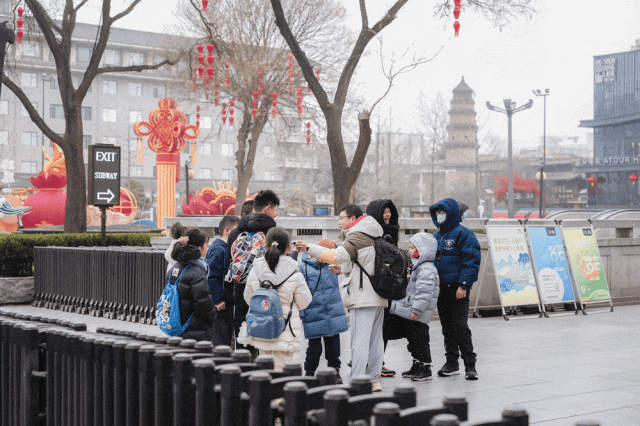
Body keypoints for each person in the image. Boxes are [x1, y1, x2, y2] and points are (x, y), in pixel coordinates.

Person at [297, 204, 387, 392]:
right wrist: (343, 269)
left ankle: (357, 381)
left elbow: (334, 256)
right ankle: (374, 379)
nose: (339, 222)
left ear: (352, 219)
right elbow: (363, 262)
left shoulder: (358, 234)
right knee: (375, 341)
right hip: (378, 293)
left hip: (362, 297)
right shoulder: (372, 232)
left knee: (359, 341)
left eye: (341, 217)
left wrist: (309, 247)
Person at [238, 227, 312, 369]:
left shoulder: (255, 270)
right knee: (283, 374)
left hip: (261, 329)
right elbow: (304, 302)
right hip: (285, 331)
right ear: (288, 248)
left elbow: (249, 299)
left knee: (264, 371)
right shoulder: (295, 273)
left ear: (265, 246)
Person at [430, 198, 481, 380]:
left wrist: (464, 285)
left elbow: (471, 261)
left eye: (443, 212)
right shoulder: (436, 236)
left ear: (451, 213)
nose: (440, 216)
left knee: (460, 327)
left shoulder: (464, 234)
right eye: (437, 213)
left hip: (457, 288)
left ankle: (470, 364)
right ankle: (451, 362)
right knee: (447, 328)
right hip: (441, 288)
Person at [226, 189, 280, 349]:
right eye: (276, 210)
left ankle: (243, 362)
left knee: (243, 334)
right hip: (265, 292)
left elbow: (228, 263)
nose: (276, 214)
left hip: (240, 290)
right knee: (264, 339)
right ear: (268, 208)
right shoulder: (273, 234)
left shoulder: (235, 232)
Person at [389, 232, 440, 381]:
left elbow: (424, 293)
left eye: (413, 248)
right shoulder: (417, 265)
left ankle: (425, 367)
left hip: (418, 312)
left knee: (420, 339)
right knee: (413, 339)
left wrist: (417, 310)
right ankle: (416, 364)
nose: (409, 250)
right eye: (410, 247)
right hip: (411, 309)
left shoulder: (426, 269)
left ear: (423, 250)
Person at [298, 238, 348, 383]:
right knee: (314, 348)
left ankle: (335, 372)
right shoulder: (303, 266)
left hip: (332, 312)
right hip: (313, 313)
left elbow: (346, 254)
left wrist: (335, 247)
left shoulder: (333, 265)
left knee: (333, 347)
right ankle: (309, 372)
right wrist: (301, 312)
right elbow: (299, 292)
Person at [366, 199, 402, 377]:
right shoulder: (370, 234)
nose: (387, 215)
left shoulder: (393, 231)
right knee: (373, 325)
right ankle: (371, 361)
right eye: (384, 211)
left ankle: (377, 361)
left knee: (384, 325)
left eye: (389, 211)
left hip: (389, 285)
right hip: (374, 285)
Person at [170, 227, 224, 341]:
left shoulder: (176, 267)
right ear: (200, 248)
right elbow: (202, 302)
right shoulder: (197, 272)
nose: (207, 248)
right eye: (206, 245)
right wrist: (213, 312)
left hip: (178, 324)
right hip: (194, 329)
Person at [205, 215, 239, 346]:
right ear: (227, 230)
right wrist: (217, 300)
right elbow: (211, 276)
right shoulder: (219, 249)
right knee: (221, 338)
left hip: (225, 301)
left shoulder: (223, 247)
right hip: (221, 304)